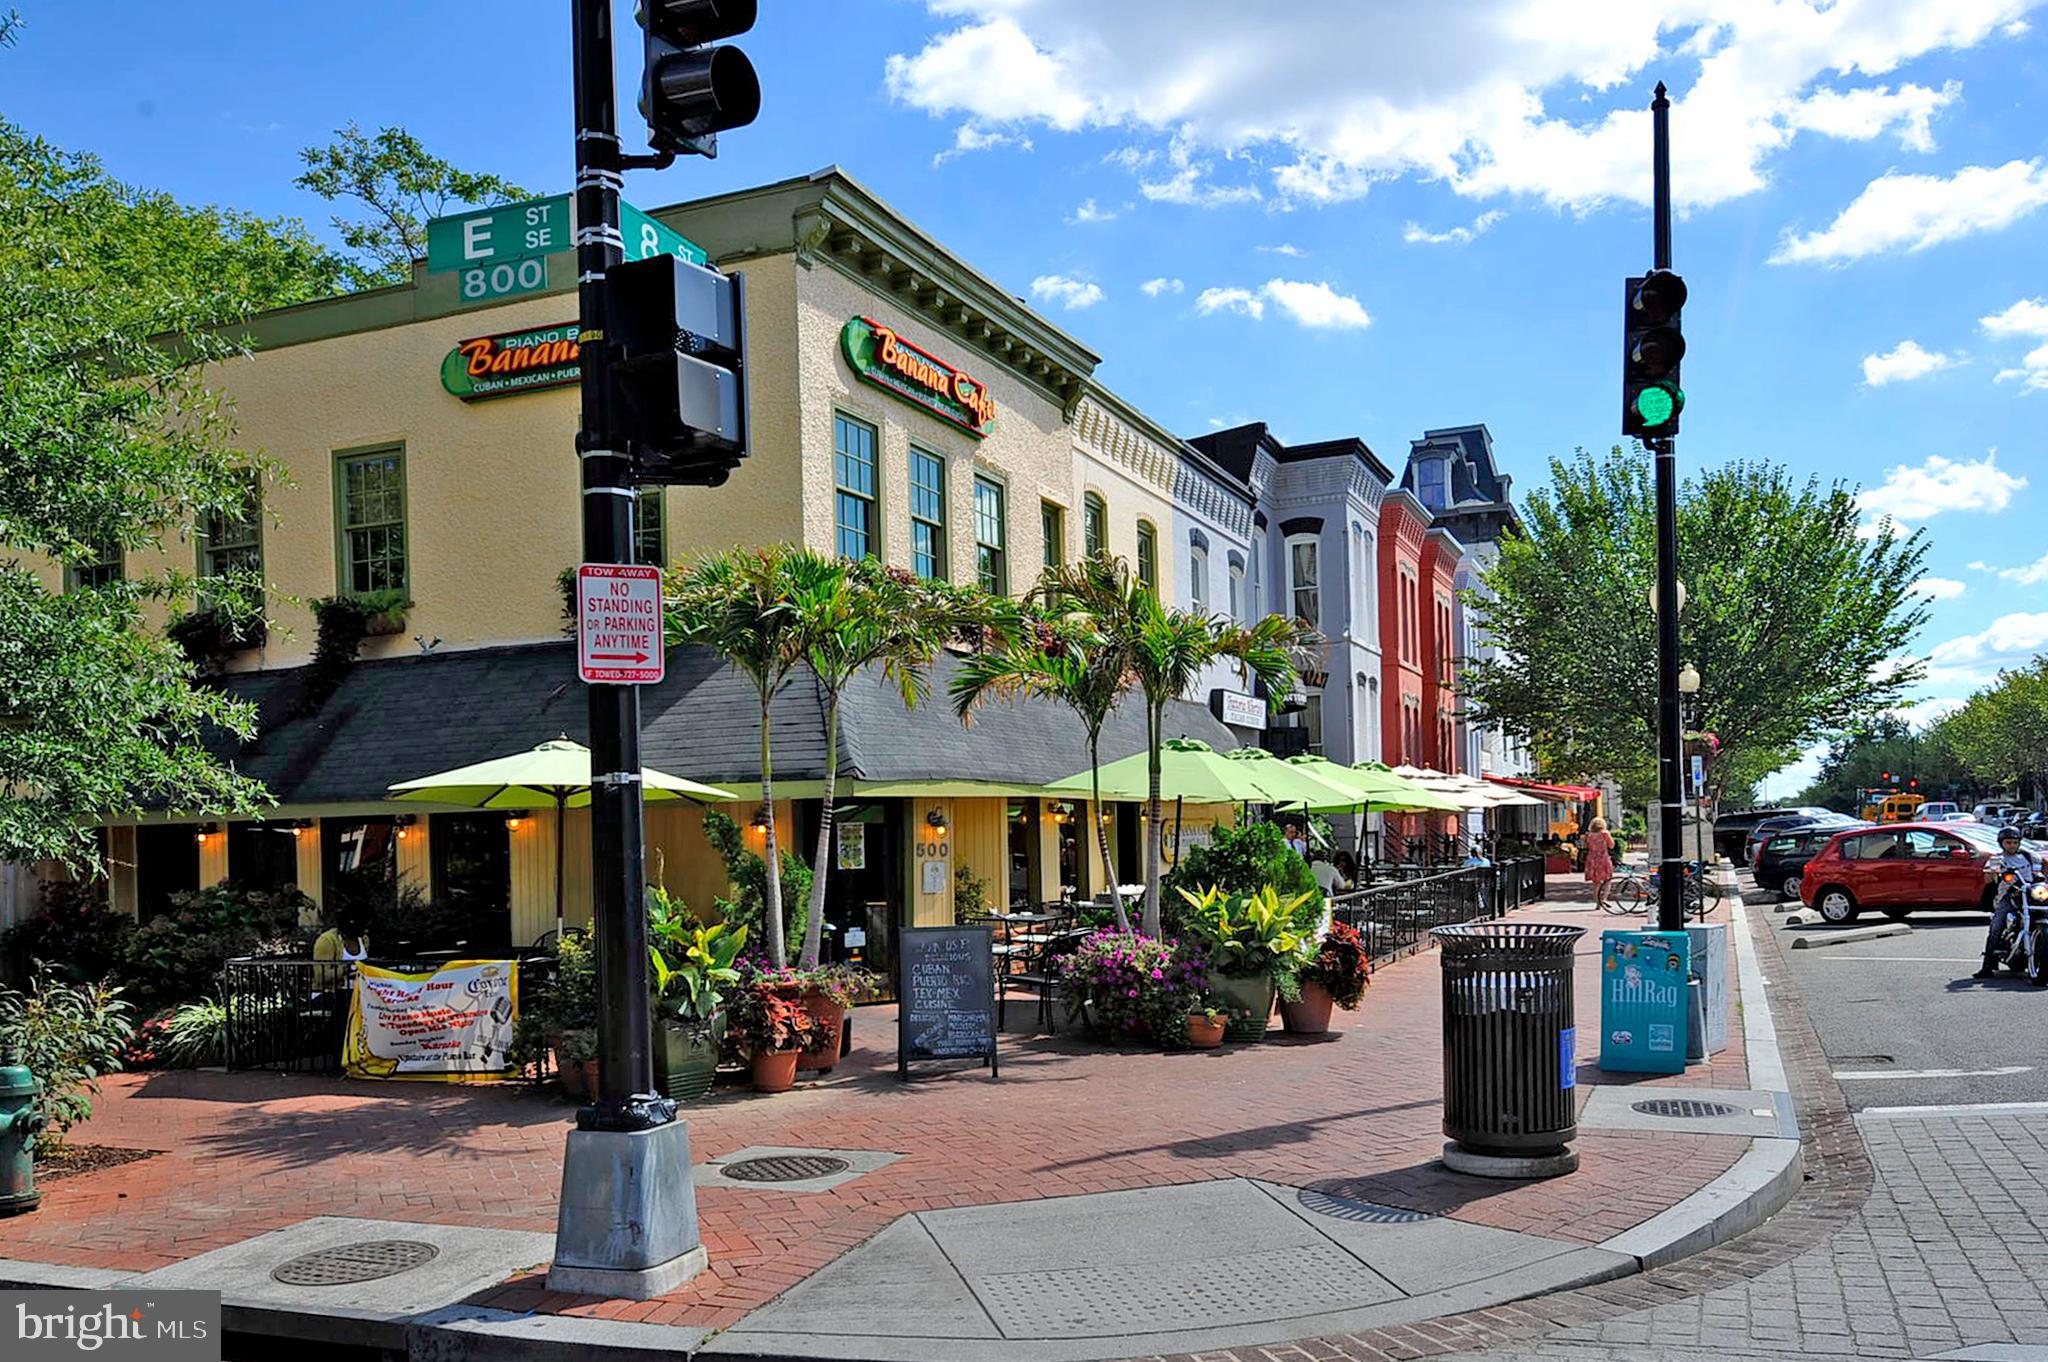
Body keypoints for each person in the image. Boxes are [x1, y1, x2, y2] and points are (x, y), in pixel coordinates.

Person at [1975, 824, 2038, 979]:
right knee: (1996, 926)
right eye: (2008, 842)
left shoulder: (2029, 856)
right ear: (2002, 843)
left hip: (2031, 893)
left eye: (2015, 842)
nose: (2012, 845)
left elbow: (2040, 872)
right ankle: (1987, 966)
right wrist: (1993, 872)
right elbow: (1988, 878)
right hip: (2009, 896)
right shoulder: (1997, 859)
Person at [313, 903, 372, 991]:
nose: (366, 930)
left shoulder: (364, 939)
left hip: (360, 993)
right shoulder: (327, 940)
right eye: (363, 927)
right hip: (332, 994)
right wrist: (348, 968)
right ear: (351, 924)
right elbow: (320, 976)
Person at [1584, 816, 1617, 910]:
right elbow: (1611, 846)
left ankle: (1597, 903)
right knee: (1608, 879)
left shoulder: (1589, 835)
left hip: (1592, 859)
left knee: (1596, 883)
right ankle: (1604, 898)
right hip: (1603, 858)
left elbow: (1587, 846)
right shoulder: (1605, 833)